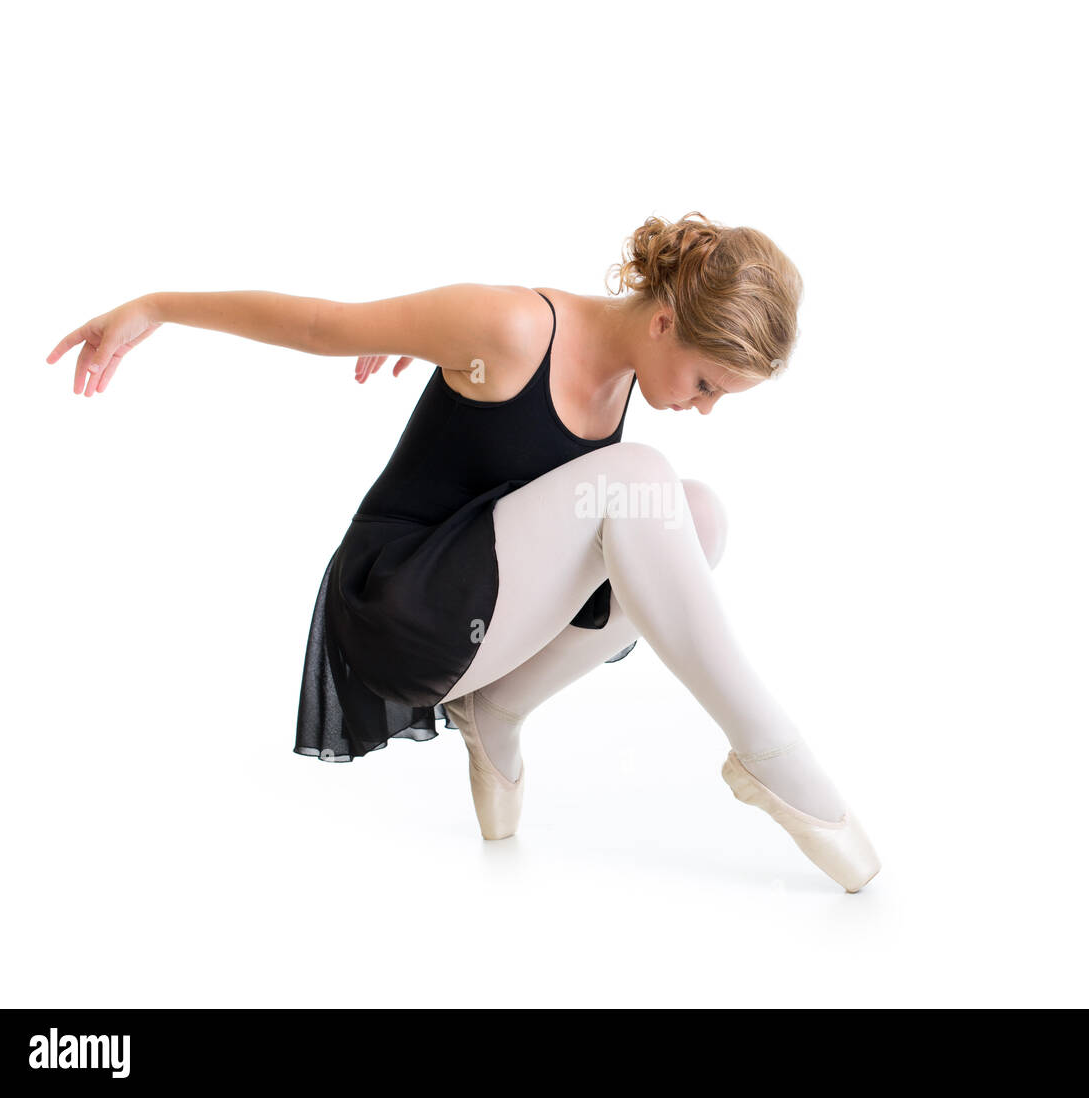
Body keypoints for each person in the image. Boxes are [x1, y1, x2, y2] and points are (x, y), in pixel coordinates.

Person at [45, 211, 881, 893]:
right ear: (665, 320)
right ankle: (773, 756)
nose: (702, 409)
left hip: (481, 619)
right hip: (396, 605)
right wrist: (154, 304)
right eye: (705, 385)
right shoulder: (514, 326)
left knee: (697, 517)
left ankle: (497, 711)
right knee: (643, 478)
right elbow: (318, 323)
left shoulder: (632, 368)